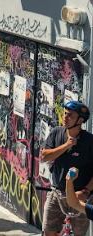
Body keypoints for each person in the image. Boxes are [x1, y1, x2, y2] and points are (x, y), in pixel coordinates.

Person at [40, 100, 93, 236]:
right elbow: (44, 156)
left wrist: (86, 191)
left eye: (70, 115)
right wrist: (66, 146)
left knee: (79, 233)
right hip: (57, 193)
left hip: (79, 196)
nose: (65, 117)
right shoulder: (57, 132)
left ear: (80, 120)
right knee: (48, 231)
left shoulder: (89, 141)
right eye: (64, 114)